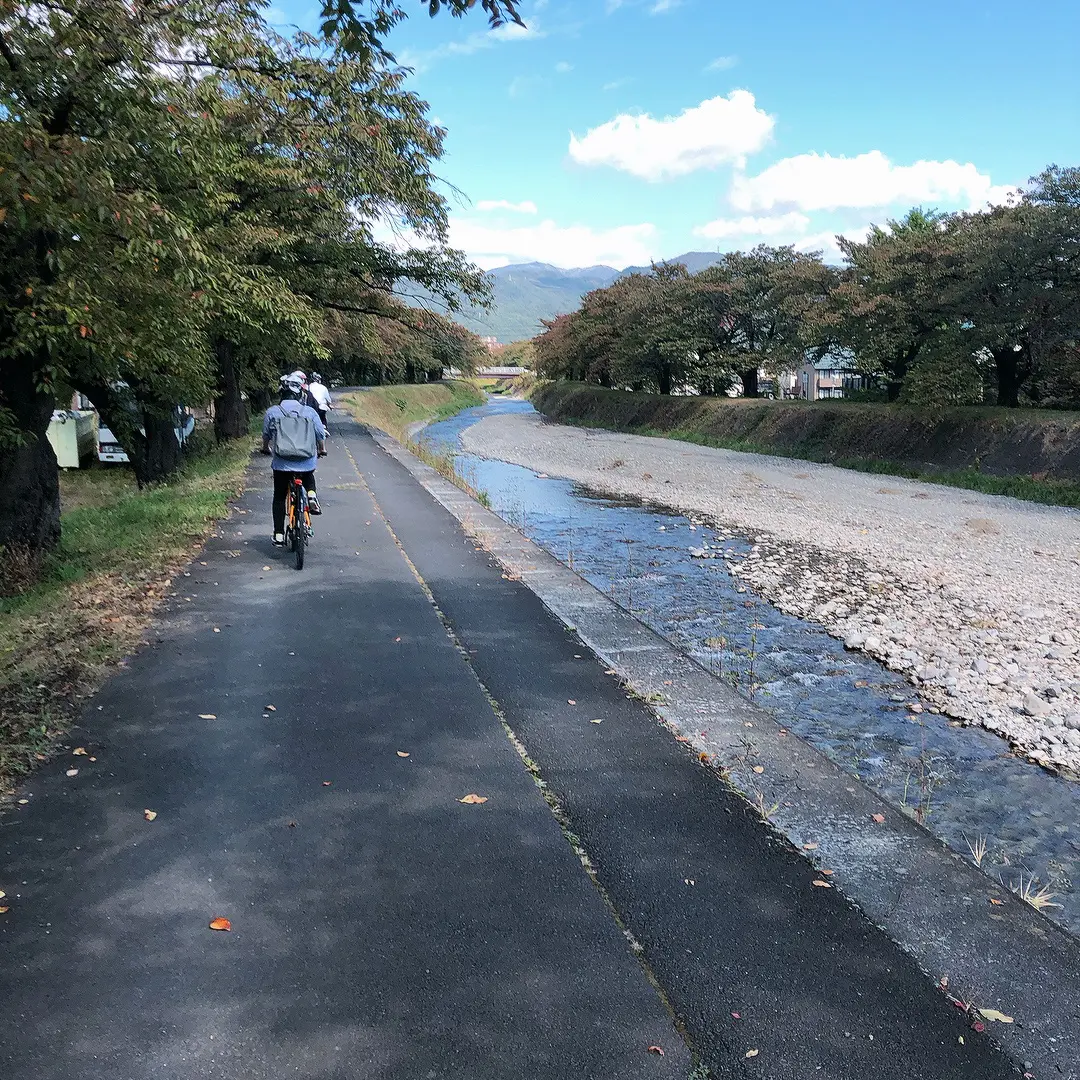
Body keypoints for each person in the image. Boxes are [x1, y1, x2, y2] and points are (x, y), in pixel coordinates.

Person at [262, 374, 328, 547]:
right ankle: (311, 495)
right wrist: (321, 449)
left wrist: (265, 447)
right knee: (308, 475)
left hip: (282, 463)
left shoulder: (273, 412)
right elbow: (320, 434)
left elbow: (266, 435)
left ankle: (278, 534)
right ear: (300, 394)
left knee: (279, 496)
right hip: (305, 460)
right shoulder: (310, 412)